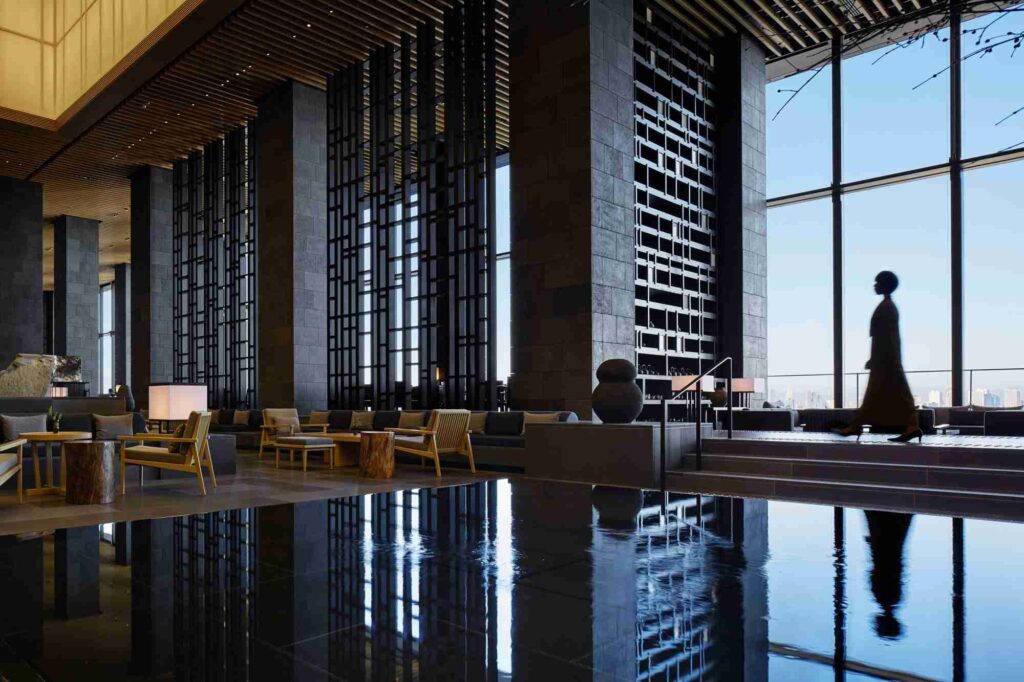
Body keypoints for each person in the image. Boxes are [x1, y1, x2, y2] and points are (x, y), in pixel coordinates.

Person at [837, 271, 922, 443]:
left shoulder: (887, 308)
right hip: (885, 359)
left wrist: (882, 359)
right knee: (886, 395)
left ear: (884, 285)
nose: (874, 285)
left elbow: (886, 338)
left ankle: (856, 426)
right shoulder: (887, 307)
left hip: (886, 360)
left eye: (877, 282)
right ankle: (911, 427)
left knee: (882, 395)